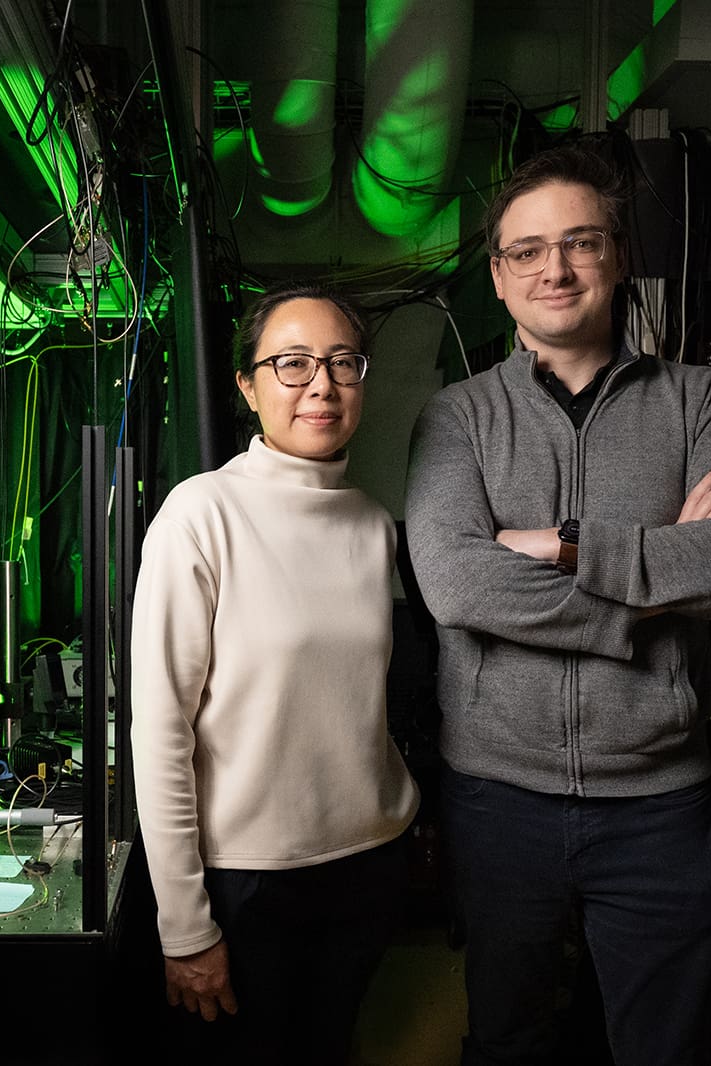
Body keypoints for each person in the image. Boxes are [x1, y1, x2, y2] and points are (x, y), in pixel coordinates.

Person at [403, 140, 711, 1066]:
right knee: (510, 1039)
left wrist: (565, 543)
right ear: (499, 280)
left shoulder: (702, 402)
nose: (557, 268)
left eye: (581, 242)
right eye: (528, 250)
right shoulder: (456, 417)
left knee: (669, 1046)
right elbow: (456, 581)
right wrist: (660, 588)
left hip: (660, 802)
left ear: (618, 258)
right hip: (499, 799)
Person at [129, 280, 421, 1065]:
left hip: (368, 865)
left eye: (341, 362)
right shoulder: (201, 514)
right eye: (291, 363)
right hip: (247, 884)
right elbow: (158, 733)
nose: (320, 384)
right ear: (247, 386)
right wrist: (185, 925)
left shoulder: (368, 522)